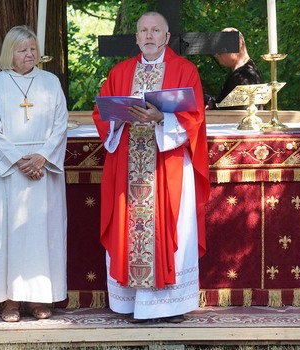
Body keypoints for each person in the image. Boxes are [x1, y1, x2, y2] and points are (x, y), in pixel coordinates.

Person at [91, 12, 210, 323]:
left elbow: (194, 118)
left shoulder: (185, 71)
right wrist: (119, 115)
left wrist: (161, 119)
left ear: (166, 37)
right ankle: (131, 302)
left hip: (166, 166)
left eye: (156, 30)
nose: (149, 35)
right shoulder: (120, 72)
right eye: (143, 30)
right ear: (136, 37)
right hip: (128, 166)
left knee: (173, 230)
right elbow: (102, 113)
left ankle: (169, 306)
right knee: (128, 230)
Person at [0, 25, 68, 322]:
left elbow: (60, 123)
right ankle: (10, 300)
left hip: (44, 170)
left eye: (33, 48)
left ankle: (39, 298)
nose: (29, 54)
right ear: (10, 53)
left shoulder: (50, 82)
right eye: (22, 50)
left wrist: (42, 157)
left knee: (43, 234)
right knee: (10, 234)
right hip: (9, 173)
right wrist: (20, 160)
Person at [206, 27, 263, 110]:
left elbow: (236, 114)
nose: (216, 55)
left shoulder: (244, 78)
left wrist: (212, 108)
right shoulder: (243, 72)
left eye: (220, 50)